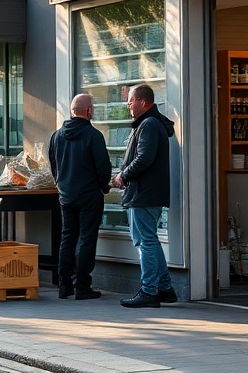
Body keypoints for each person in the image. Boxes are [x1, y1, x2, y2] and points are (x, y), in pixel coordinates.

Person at [114, 83, 177, 308]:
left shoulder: (148, 125)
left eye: (130, 102)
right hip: (147, 192)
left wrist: (123, 176)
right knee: (150, 240)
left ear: (142, 102)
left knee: (145, 242)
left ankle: (149, 291)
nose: (128, 106)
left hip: (143, 193)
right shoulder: (151, 123)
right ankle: (165, 288)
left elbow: (143, 159)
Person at [48, 92, 112, 301]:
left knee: (67, 237)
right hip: (89, 195)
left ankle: (64, 284)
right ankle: (82, 286)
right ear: (89, 111)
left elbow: (54, 166)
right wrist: (104, 187)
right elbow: (103, 167)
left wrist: (61, 184)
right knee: (86, 238)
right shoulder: (93, 136)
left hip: (66, 195)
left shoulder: (57, 136)